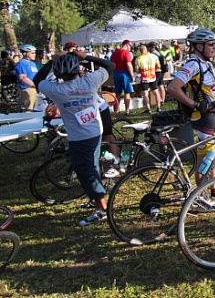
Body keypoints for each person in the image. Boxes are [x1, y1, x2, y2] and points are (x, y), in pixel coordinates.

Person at [34, 49, 116, 225]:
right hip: (95, 131)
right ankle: (96, 200)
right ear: (77, 69)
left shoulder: (56, 90)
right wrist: (85, 56)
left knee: (85, 171)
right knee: (91, 168)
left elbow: (37, 80)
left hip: (79, 137)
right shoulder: (90, 81)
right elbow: (110, 65)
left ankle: (101, 208)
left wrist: (52, 61)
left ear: (58, 73)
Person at [167, 29, 215, 187]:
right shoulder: (193, 64)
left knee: (212, 153)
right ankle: (203, 193)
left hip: (212, 115)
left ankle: (212, 189)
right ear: (199, 46)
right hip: (203, 117)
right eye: (211, 44)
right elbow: (172, 88)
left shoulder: (206, 64)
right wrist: (195, 104)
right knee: (207, 157)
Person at [135, 44, 161, 113]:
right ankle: (158, 107)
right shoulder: (154, 56)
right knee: (156, 92)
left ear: (140, 51)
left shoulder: (139, 58)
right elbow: (158, 66)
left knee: (145, 93)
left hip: (144, 78)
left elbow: (137, 70)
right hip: (153, 76)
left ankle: (148, 108)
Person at [111, 40, 135, 115]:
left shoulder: (114, 53)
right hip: (124, 73)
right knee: (127, 92)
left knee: (117, 93)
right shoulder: (125, 52)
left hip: (116, 73)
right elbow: (128, 64)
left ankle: (117, 110)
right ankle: (127, 110)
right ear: (127, 45)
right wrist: (132, 75)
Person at [15, 44, 39, 112]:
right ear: (25, 53)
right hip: (27, 89)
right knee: (28, 109)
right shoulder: (22, 63)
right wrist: (34, 85)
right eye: (32, 53)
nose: (34, 55)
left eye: (35, 53)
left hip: (35, 89)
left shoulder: (33, 64)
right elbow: (22, 78)